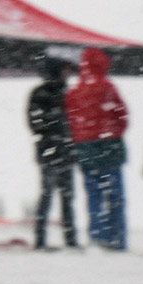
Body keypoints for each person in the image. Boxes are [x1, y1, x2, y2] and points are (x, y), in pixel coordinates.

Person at [66, 48, 130, 250]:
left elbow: (71, 120)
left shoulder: (74, 91)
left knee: (94, 196)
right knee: (115, 197)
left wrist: (82, 136)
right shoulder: (107, 87)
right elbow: (122, 116)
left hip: (85, 148)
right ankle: (116, 238)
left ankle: (97, 235)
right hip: (109, 147)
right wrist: (114, 132)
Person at [26, 57, 78, 250]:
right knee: (57, 195)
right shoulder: (56, 93)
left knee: (59, 196)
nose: (68, 74)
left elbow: (35, 122)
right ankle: (58, 238)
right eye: (65, 70)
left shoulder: (44, 93)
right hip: (57, 150)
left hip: (55, 150)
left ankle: (49, 238)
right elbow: (36, 123)